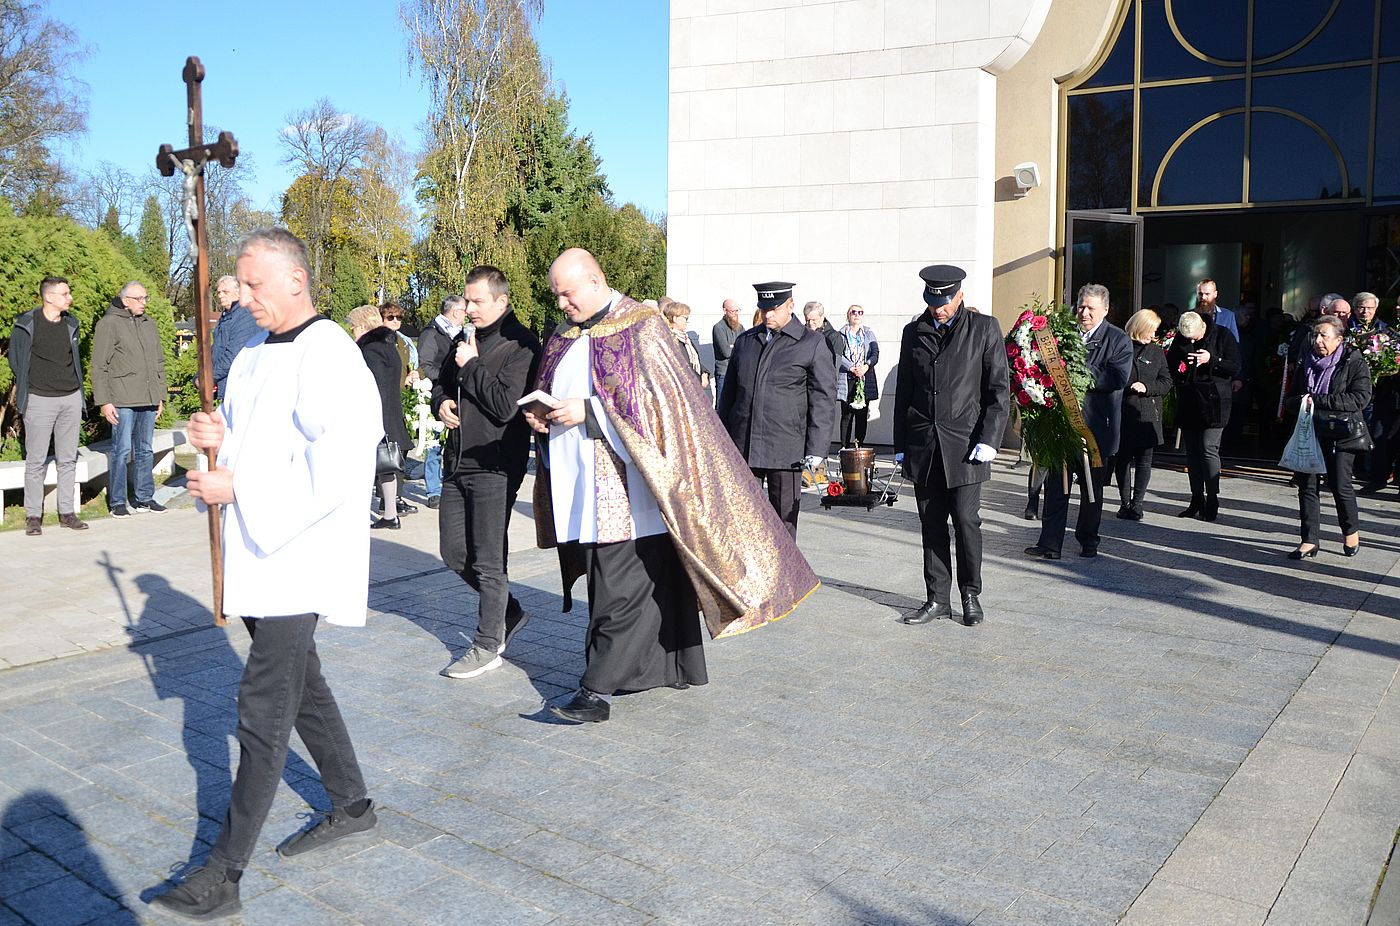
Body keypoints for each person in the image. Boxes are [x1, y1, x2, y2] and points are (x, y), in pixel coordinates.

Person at [152, 228, 382, 921]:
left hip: (300, 554)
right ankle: (352, 803)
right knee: (300, 685)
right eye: (241, 284)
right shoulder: (253, 353)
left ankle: (224, 873)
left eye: (254, 284)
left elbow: (338, 464)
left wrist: (240, 487)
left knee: (262, 705)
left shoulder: (332, 354)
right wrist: (215, 437)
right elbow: (250, 436)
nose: (244, 296)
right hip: (256, 550)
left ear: (295, 279)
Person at [524, 249, 818, 723]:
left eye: (568, 293)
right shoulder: (565, 334)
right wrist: (542, 416)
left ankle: (594, 691)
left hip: (630, 489)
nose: (561, 304)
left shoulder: (642, 327)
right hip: (579, 485)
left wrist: (590, 411)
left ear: (595, 280)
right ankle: (668, 665)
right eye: (557, 295)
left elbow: (663, 405)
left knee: (620, 590)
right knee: (612, 584)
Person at [434, 265, 541, 680]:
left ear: (501, 300)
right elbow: (443, 382)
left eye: (477, 301)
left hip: (495, 464)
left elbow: (504, 406)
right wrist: (441, 402)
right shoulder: (464, 339)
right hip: (457, 460)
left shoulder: (521, 344)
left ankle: (486, 644)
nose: (470, 309)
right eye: (467, 301)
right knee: (454, 553)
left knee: (489, 560)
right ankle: (508, 613)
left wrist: (473, 365)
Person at [894, 265, 1008, 626]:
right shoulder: (913, 332)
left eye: (944, 301)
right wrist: (901, 444)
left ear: (960, 295)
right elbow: (905, 391)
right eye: (932, 301)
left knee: (966, 521)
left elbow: (998, 390)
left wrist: (990, 440)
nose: (938, 308)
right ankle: (937, 599)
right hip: (925, 445)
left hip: (967, 446)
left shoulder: (984, 328)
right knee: (931, 524)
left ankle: (970, 594)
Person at [717, 282, 837, 538]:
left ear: (790, 306)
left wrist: (816, 449)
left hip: (786, 449)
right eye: (764, 309)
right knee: (741, 521)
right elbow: (729, 396)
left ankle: (784, 566)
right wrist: (720, 439)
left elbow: (823, 400)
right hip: (744, 446)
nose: (768, 314)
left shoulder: (811, 343)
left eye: (774, 309)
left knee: (783, 524)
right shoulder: (746, 341)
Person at [1025, 283, 1133, 560]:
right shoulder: (1065, 334)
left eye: (1091, 308)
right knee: (1055, 487)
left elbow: (1118, 377)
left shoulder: (1118, 339)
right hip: (1062, 426)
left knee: (1091, 489)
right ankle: (1050, 544)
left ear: (1105, 310)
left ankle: (1088, 539)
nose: (1084, 313)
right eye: (1081, 306)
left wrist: (1074, 371)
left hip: (1096, 428)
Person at [1282, 314, 1371, 559]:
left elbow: (1360, 398)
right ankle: (1309, 540)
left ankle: (1350, 532)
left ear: (1339, 339)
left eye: (1324, 336)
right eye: (1315, 335)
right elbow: (1291, 398)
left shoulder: (1353, 361)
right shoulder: (1306, 362)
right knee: (1307, 485)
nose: (1318, 340)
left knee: (1340, 484)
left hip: (1343, 433)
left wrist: (1318, 401)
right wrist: (1302, 402)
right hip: (1310, 430)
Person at [8, 276, 87, 535]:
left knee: (68, 459)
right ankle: (33, 516)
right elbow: (16, 361)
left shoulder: (71, 324)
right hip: (39, 400)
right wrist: (32, 387)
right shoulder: (26, 324)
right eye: (65, 294)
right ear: (49, 297)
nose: (70, 298)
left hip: (70, 398)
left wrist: (76, 394)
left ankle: (67, 513)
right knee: (36, 461)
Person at [91, 281, 167, 517]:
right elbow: (99, 365)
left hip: (148, 398)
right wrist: (104, 401)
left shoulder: (149, 324)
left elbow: (159, 362)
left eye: (145, 298)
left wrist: (160, 396)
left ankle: (145, 498)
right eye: (139, 298)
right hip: (121, 400)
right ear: (125, 301)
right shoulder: (109, 324)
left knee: (145, 450)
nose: (144, 303)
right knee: (122, 450)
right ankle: (118, 502)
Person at [1167, 310, 1241, 521]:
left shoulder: (1222, 335)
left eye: (1194, 337)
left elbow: (1234, 366)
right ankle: (1196, 498)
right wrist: (1181, 374)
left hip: (1214, 401)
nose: (1191, 341)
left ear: (1203, 327)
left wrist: (1212, 360)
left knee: (1208, 448)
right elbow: (1171, 364)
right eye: (1187, 338)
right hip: (1190, 399)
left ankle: (1213, 498)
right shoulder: (1182, 337)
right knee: (1192, 453)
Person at [349, 304, 413, 530]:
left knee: (366, 467)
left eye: (354, 326)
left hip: (374, 414)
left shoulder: (370, 350)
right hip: (390, 412)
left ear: (363, 326)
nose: (353, 331)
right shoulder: (388, 346)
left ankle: (359, 514)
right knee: (386, 466)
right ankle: (391, 514)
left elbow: (370, 385)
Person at [1114, 309, 1172, 521]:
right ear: (1141, 327)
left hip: (1148, 413)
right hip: (1123, 412)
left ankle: (1137, 504)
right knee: (1122, 460)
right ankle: (1124, 503)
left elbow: (1167, 382)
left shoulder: (1156, 351)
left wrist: (1147, 387)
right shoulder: (1120, 346)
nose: (1154, 335)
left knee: (1144, 461)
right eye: (1152, 330)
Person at [417, 295, 470, 509]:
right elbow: (425, 365)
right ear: (456, 312)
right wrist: (448, 376)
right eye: (465, 310)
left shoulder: (463, 334)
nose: (468, 314)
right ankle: (434, 490)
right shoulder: (432, 333)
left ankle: (452, 483)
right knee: (435, 444)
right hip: (437, 395)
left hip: (459, 395)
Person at [210, 274, 258, 401]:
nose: (220, 295)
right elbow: (216, 349)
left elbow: (234, 355)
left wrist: (208, 378)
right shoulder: (226, 316)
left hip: (242, 389)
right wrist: (201, 374)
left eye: (225, 292)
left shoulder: (245, 315)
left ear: (238, 293)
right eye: (219, 292)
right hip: (229, 387)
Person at [838, 304, 880, 447]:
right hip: (848, 378)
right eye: (853, 312)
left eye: (860, 312)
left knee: (862, 415)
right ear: (848, 315)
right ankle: (844, 447)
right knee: (847, 415)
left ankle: (858, 446)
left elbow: (875, 353)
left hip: (864, 377)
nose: (856, 315)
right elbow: (838, 355)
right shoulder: (841, 334)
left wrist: (866, 366)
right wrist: (851, 367)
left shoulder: (868, 334)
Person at [663, 300, 710, 388]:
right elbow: (683, 366)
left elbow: (694, 359)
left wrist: (704, 372)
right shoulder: (670, 339)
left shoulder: (685, 338)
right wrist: (700, 380)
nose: (687, 322)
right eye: (685, 318)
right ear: (675, 319)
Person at [711, 299, 743, 406]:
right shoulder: (718, 328)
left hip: (738, 372)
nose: (735, 314)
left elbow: (745, 347)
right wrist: (736, 347)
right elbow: (726, 352)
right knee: (722, 405)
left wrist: (732, 346)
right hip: (723, 373)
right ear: (725, 311)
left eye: (737, 311)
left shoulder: (740, 327)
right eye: (732, 311)